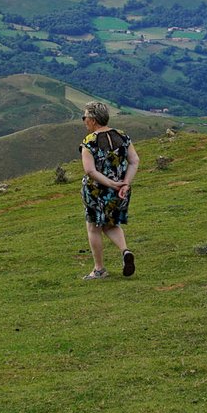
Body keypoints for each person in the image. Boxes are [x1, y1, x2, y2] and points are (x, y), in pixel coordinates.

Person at [78, 101, 140, 280]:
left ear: (93, 119)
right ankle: (125, 251)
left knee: (94, 227)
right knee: (111, 224)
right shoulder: (122, 136)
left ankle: (99, 269)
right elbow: (134, 161)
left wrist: (111, 184)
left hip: (96, 191)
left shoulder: (89, 142)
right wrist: (124, 184)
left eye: (85, 117)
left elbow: (90, 171)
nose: (84, 121)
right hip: (121, 190)